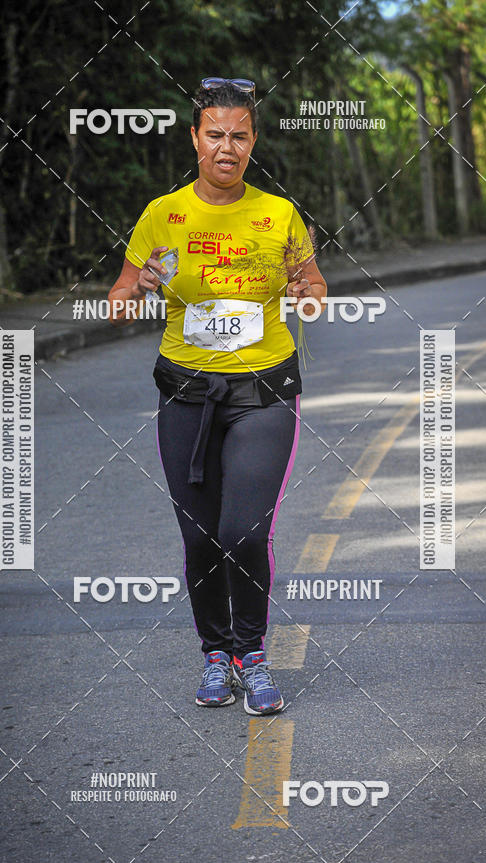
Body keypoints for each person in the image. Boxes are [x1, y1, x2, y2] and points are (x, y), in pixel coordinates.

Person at [108, 77, 327, 715]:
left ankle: (252, 655)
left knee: (243, 531)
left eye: (239, 136)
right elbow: (119, 299)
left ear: (253, 141)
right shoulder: (163, 214)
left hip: (263, 392)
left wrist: (304, 292)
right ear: (195, 139)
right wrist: (139, 288)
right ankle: (215, 655)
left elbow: (315, 289)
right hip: (185, 394)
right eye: (214, 135)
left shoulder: (279, 214)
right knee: (202, 537)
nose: (226, 147)